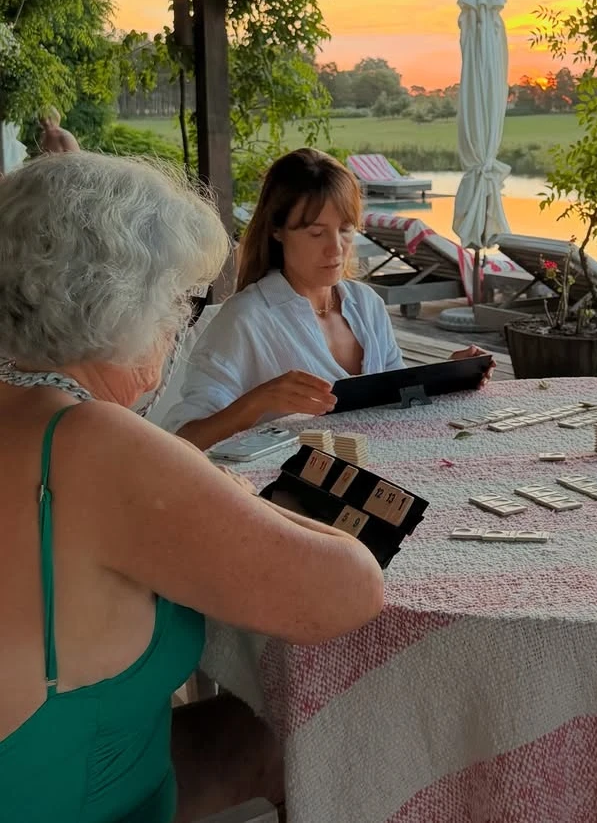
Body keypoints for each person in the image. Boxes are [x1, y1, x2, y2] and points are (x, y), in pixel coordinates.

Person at [0, 152, 385, 823]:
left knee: (279, 733)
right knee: (354, 729)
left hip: (64, 761)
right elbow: (348, 591)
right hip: (67, 799)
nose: (180, 322)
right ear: (123, 304)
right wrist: (225, 488)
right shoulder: (94, 442)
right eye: (178, 298)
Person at [165, 147, 489, 450]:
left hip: (374, 473)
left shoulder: (366, 305)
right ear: (277, 230)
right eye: (316, 233)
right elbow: (184, 440)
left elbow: (395, 399)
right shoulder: (246, 319)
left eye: (346, 229)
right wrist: (258, 401)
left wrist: (446, 377)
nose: (336, 249)